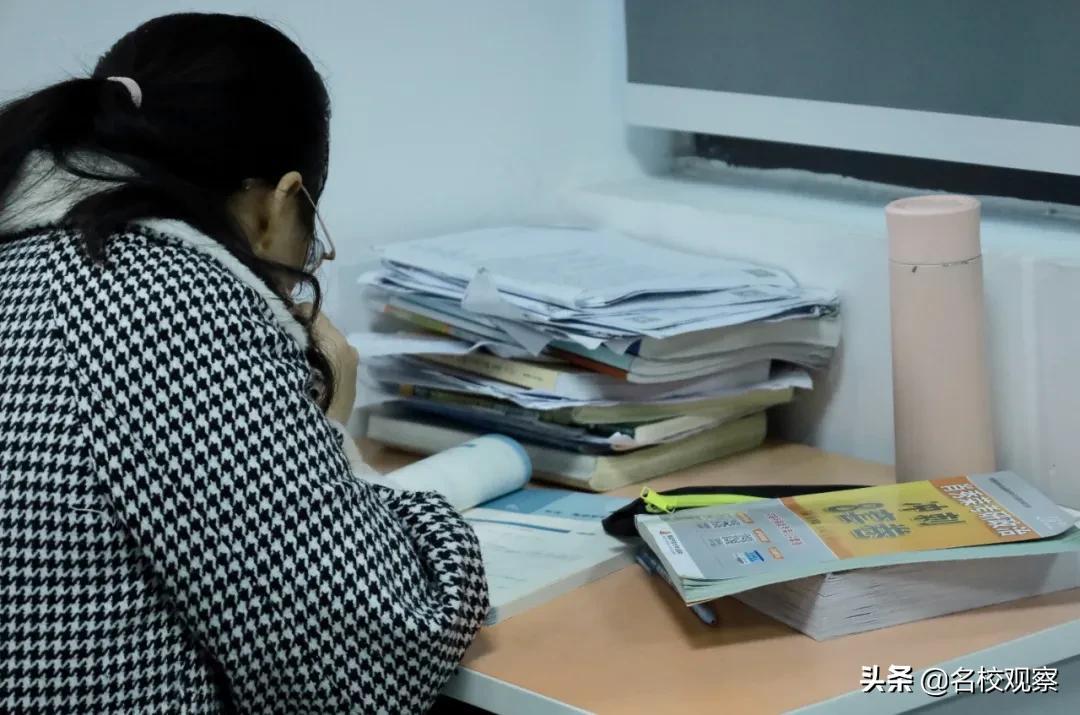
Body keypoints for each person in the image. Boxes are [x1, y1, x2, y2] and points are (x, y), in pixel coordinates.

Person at [0, 13, 488, 714]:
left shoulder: (39, 264)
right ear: (278, 202)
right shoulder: (161, 298)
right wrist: (340, 454)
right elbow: (377, 649)